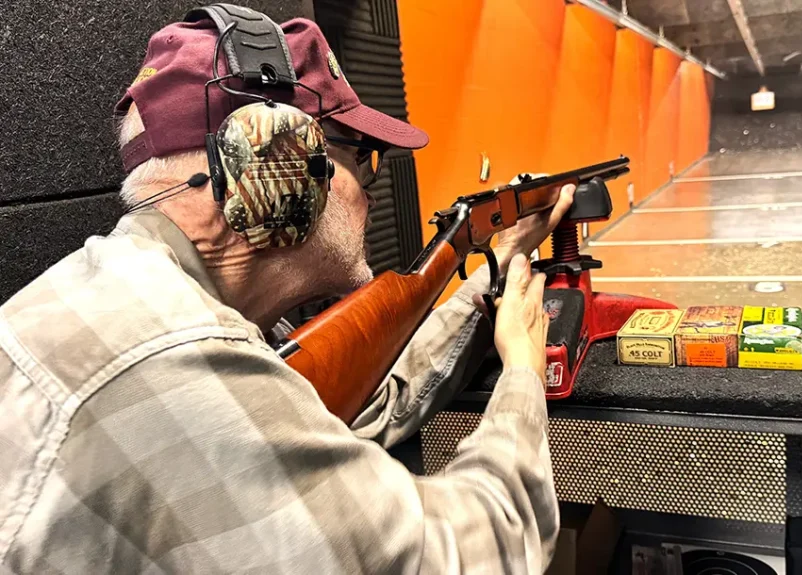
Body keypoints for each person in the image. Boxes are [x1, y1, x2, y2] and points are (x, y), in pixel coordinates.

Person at [0, 10, 575, 574]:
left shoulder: (126, 298)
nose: (371, 186)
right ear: (277, 168)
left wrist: (491, 271)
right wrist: (523, 367)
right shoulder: (175, 370)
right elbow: (470, 551)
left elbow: (356, 411)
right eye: (357, 157)